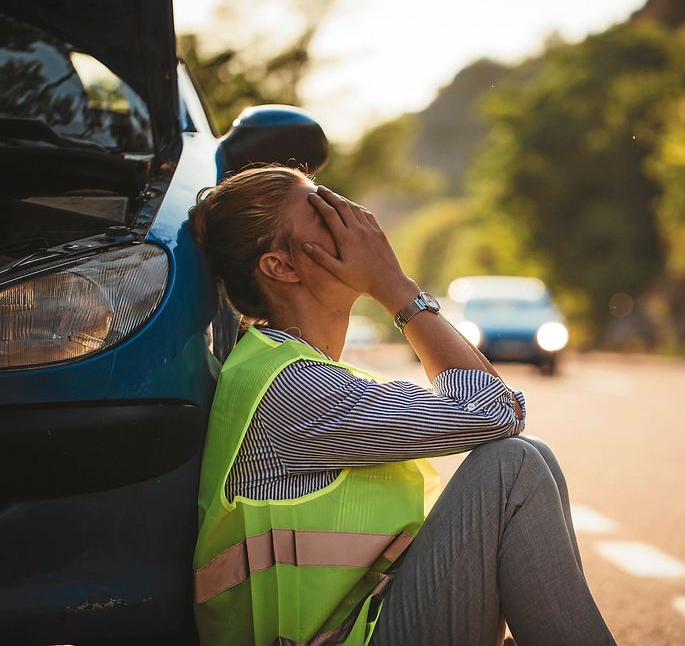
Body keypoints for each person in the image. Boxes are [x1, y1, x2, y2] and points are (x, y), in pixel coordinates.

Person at [187, 164, 616, 646]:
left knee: (530, 457)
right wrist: (394, 286)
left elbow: (497, 410)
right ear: (281, 266)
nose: (358, 223)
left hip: (363, 622)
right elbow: (496, 411)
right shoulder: (294, 388)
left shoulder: (290, 367)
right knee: (513, 466)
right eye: (325, 214)